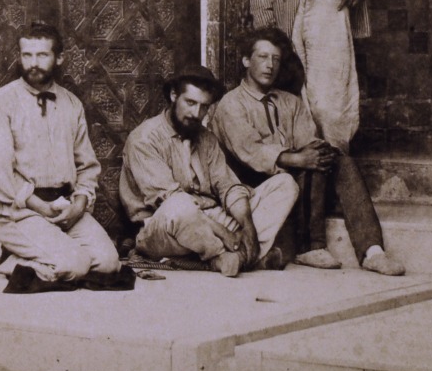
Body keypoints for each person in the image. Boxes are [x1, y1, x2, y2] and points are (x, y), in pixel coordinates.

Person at [250, 0, 404, 275]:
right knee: (303, 119)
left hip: (329, 11)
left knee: (331, 113)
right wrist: (271, 41)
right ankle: (319, 240)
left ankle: (337, 225)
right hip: (287, 24)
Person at [210, 28, 402, 273]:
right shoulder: (231, 104)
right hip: (257, 185)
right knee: (307, 163)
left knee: (338, 161)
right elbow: (252, 153)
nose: (270, 65)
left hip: (299, 179)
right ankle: (311, 246)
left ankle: (372, 252)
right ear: (246, 61)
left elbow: (308, 142)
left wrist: (314, 154)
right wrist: (298, 158)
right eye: (263, 57)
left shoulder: (290, 102)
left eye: (276, 59)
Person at [0, 21, 121, 286]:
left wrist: (79, 204)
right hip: (20, 210)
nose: (33, 63)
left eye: (42, 55)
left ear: (59, 58)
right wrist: (41, 207)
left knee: (108, 264)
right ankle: (12, 259)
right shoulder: (0, 103)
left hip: (64, 206)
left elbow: (87, 166)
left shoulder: (71, 104)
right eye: (27, 55)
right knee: (75, 265)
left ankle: (33, 254)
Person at [119, 68, 298, 276]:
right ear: (174, 95)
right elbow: (167, 200)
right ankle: (226, 255)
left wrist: (248, 228)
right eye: (190, 103)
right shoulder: (143, 139)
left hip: (211, 217)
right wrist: (225, 233)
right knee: (180, 204)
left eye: (204, 107)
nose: (196, 114)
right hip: (163, 228)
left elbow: (227, 186)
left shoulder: (207, 139)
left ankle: (240, 255)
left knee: (285, 184)